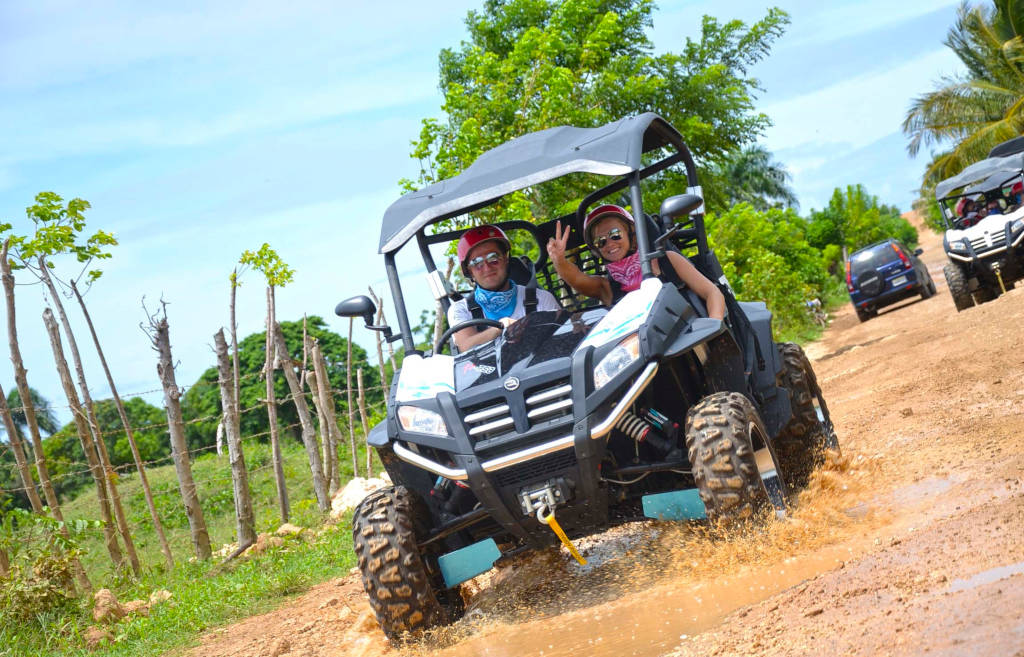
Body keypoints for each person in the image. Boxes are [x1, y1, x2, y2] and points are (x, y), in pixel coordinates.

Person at [545, 204, 725, 319]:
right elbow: (577, 279)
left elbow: (712, 293)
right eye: (601, 241)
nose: (610, 244)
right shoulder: (608, 287)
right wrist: (559, 260)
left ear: (632, 234)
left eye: (615, 235)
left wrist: (713, 330)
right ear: (596, 249)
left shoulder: (666, 261)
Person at [447, 225, 561, 351]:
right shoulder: (461, 310)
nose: (487, 267)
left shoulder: (541, 298)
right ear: (469, 271)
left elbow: (560, 339)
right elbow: (465, 346)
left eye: (493, 258)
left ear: (506, 259)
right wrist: (500, 328)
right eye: (477, 263)